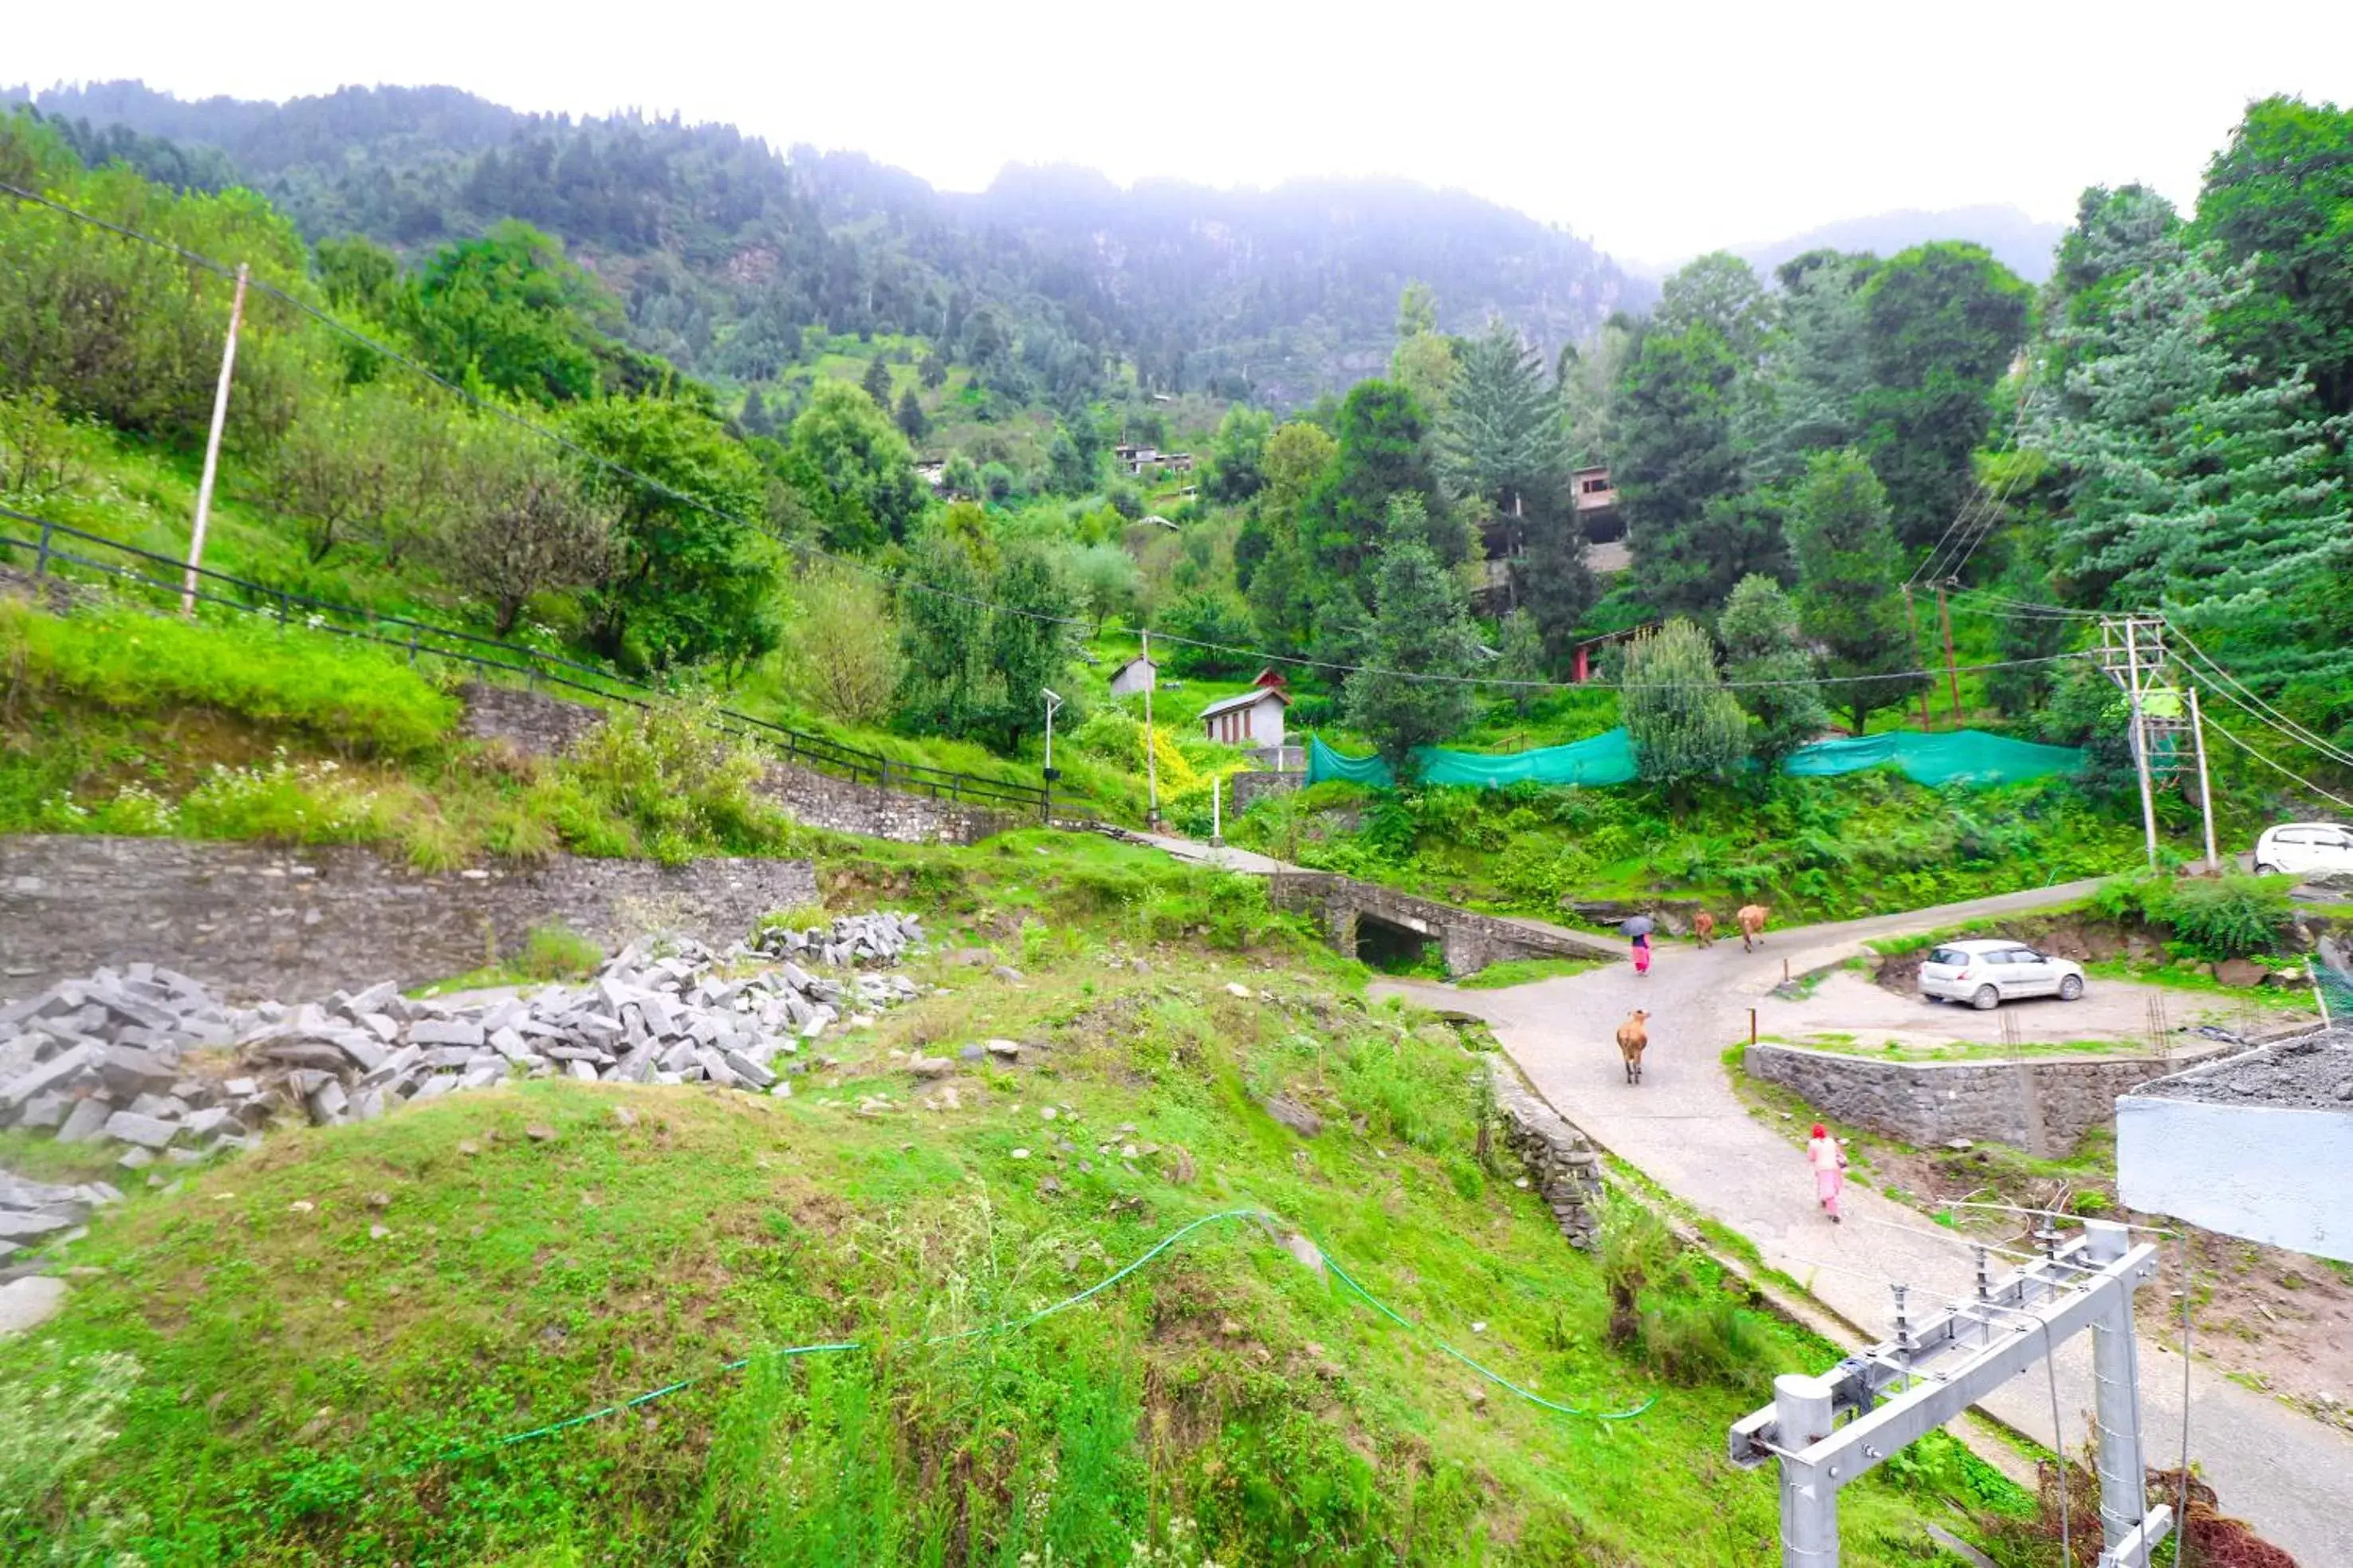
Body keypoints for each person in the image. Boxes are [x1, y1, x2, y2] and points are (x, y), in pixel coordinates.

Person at [1807, 1124, 1846, 1223]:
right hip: (1835, 1167)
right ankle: (1826, 1202)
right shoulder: (1831, 1141)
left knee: (1827, 1190)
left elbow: (1811, 1157)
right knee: (1833, 1187)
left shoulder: (1813, 1143)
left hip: (1823, 1170)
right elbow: (1838, 1153)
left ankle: (1834, 1214)